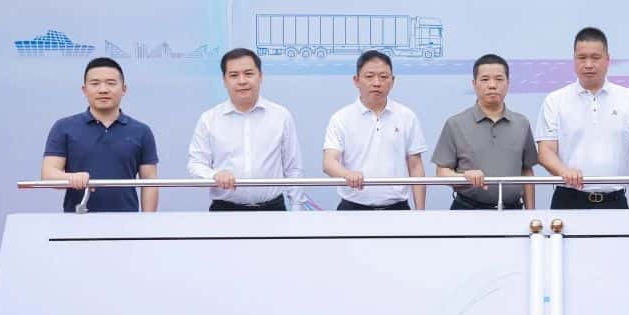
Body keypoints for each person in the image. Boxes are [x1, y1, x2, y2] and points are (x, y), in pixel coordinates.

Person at [536, 27, 629, 210]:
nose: (588, 64)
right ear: (574, 60)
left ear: (607, 60)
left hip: (614, 201)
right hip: (568, 199)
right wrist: (564, 171)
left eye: (595, 57)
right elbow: (545, 152)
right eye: (582, 58)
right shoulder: (555, 100)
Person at [186, 48, 304, 211]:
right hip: (225, 211)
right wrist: (214, 175)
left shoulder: (281, 116)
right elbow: (195, 164)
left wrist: (297, 207)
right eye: (234, 75)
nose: (242, 81)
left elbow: (293, 167)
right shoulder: (209, 119)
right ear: (224, 80)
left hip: (272, 209)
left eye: (248, 74)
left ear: (260, 76)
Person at [41, 56, 158, 213]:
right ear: (84, 90)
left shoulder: (141, 131)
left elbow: (149, 180)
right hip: (77, 220)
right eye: (95, 83)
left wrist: (148, 221)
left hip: (127, 220)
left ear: (124, 89)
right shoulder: (63, 127)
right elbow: (48, 174)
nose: (103, 90)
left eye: (111, 83)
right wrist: (72, 178)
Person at [323, 50, 427, 210]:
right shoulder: (341, 118)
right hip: (352, 209)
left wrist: (421, 212)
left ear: (392, 81)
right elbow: (329, 162)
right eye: (369, 76)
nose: (377, 83)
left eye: (383, 77)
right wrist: (347, 174)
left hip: (397, 208)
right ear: (356, 80)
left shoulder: (407, 116)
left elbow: (415, 166)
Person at [432, 54, 538, 210]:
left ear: (508, 83)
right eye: (485, 79)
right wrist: (463, 177)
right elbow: (442, 171)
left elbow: (527, 171)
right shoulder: (455, 123)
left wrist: (531, 213)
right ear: (474, 84)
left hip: (512, 211)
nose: (492, 85)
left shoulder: (521, 123)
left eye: (499, 79)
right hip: (467, 210)